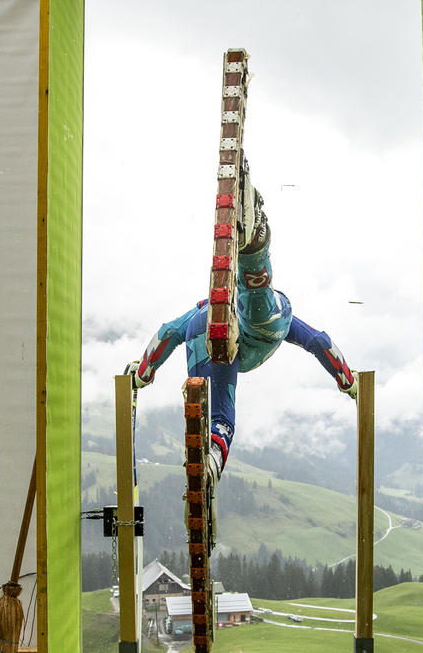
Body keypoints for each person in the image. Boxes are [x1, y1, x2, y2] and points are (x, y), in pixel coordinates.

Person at [128, 201, 357, 480]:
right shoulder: (281, 318)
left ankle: (211, 452)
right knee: (259, 318)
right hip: (254, 329)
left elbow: (168, 332)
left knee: (216, 409)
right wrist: (348, 382)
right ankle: (254, 251)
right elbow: (319, 342)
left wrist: (143, 375)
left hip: (205, 332)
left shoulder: (202, 311)